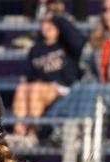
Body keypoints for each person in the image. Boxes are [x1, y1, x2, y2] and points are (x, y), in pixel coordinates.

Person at [47, 0, 110, 120]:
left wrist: (109, 87)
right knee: (77, 88)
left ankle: (71, 128)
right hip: (99, 93)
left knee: (93, 90)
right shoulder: (99, 41)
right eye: (105, 10)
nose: (108, 13)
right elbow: (90, 73)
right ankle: (50, 123)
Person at [11, 5, 86, 146]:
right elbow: (31, 76)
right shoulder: (36, 49)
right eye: (45, 22)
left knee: (36, 88)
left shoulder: (67, 44)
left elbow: (79, 40)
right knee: (23, 87)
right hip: (42, 90)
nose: (47, 26)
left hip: (67, 89)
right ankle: (19, 132)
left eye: (51, 22)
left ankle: (33, 133)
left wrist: (57, 18)